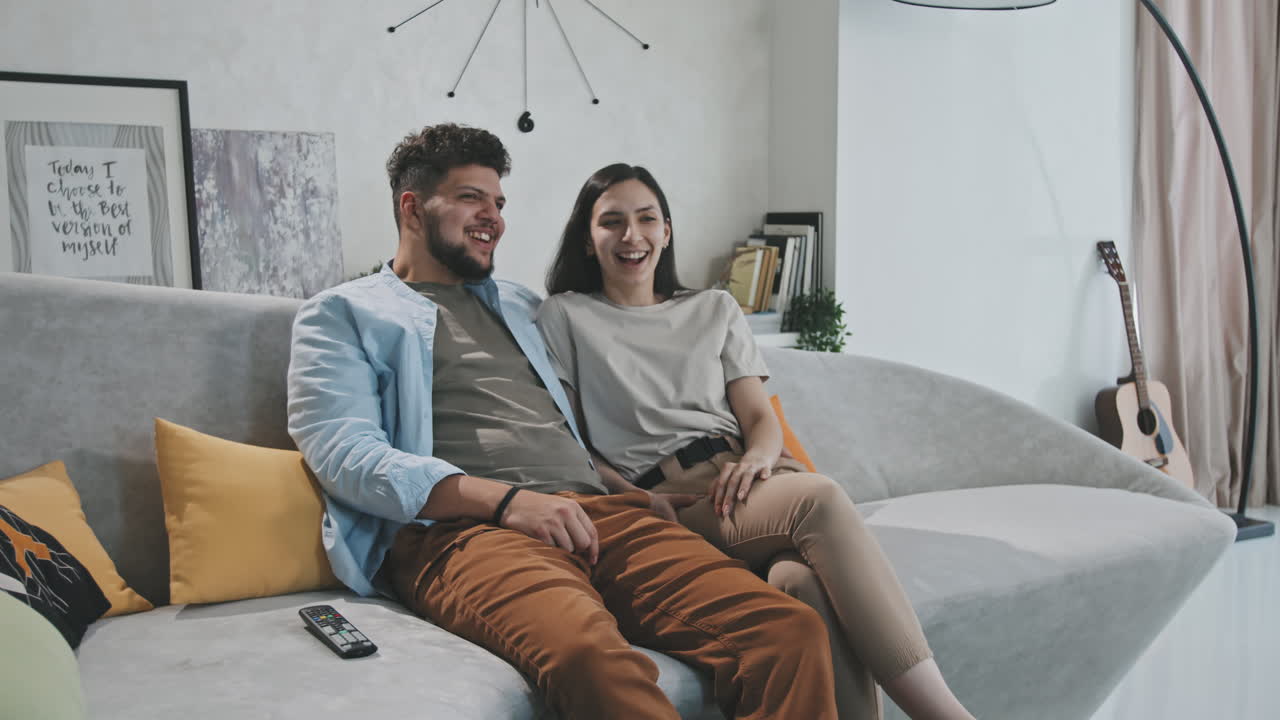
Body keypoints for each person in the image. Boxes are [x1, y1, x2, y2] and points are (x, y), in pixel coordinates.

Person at [286, 125, 839, 720]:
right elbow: (348, 455)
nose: (493, 217)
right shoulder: (342, 314)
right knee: (590, 658)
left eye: (499, 203)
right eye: (472, 197)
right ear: (412, 207)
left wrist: (632, 488)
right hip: (465, 535)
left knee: (786, 634)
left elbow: (611, 396)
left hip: (599, 515)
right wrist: (508, 503)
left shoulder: (530, 308)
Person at [536, 163, 979, 720]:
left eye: (647, 219)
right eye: (612, 221)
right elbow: (569, 439)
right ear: (587, 236)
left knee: (801, 585)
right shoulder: (565, 315)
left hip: (752, 477)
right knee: (819, 500)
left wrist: (759, 459)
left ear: (667, 232)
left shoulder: (714, 308)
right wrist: (632, 495)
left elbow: (757, 417)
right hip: (677, 500)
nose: (632, 236)